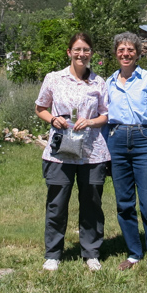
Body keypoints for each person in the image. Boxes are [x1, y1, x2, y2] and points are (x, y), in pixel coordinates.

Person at [35, 32, 110, 271]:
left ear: (91, 54)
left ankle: (91, 253)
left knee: (91, 204)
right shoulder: (54, 78)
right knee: (57, 204)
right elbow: (40, 107)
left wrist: (89, 122)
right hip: (60, 153)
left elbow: (105, 115)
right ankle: (53, 254)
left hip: (92, 153)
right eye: (77, 50)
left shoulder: (99, 82)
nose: (81, 54)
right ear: (69, 52)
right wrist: (53, 118)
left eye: (86, 50)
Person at [106, 31, 147, 281]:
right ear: (115, 54)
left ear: (138, 53)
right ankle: (134, 252)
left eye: (130, 49)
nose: (125, 54)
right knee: (123, 203)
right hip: (117, 140)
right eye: (121, 50)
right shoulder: (108, 82)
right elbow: (103, 117)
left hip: (145, 140)